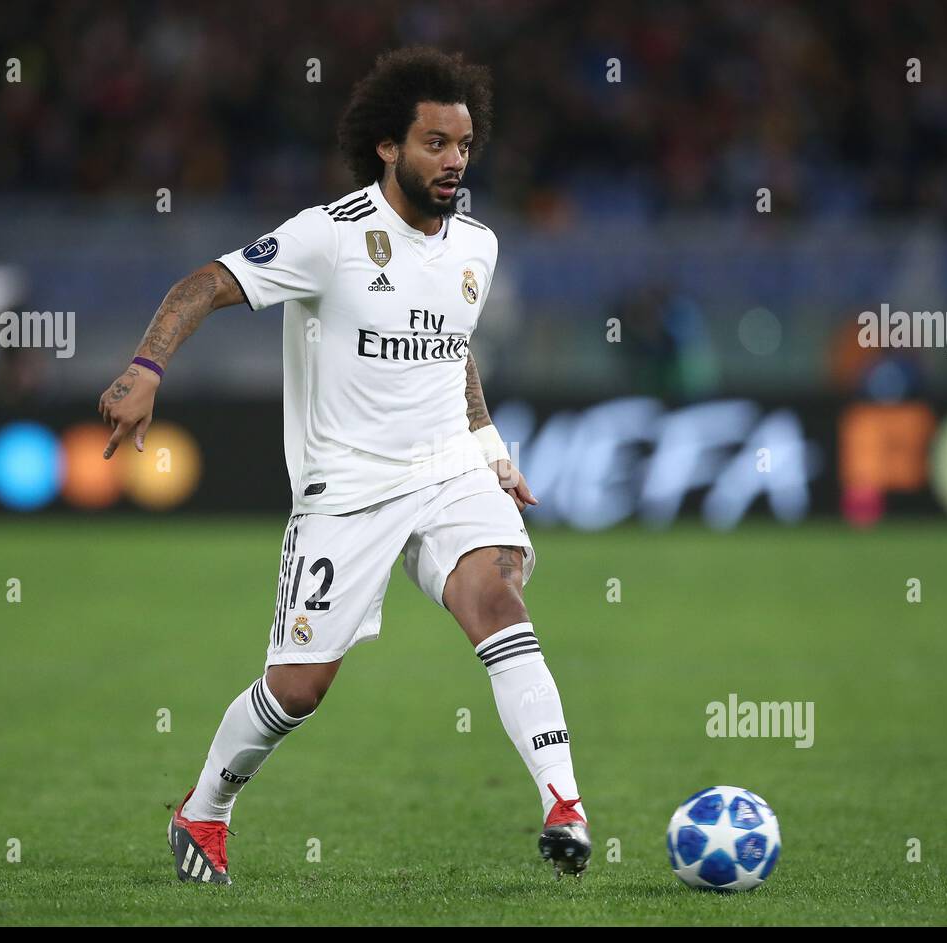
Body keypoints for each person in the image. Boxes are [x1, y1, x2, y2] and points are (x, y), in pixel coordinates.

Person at [97, 46, 589, 884]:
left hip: (448, 471)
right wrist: (146, 369)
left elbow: (452, 351)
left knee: (495, 595)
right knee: (298, 687)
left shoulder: (478, 246)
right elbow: (203, 284)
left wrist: (489, 452)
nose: (454, 161)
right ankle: (205, 810)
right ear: (389, 147)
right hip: (348, 488)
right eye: (435, 143)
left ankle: (565, 807)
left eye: (464, 144)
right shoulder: (328, 236)